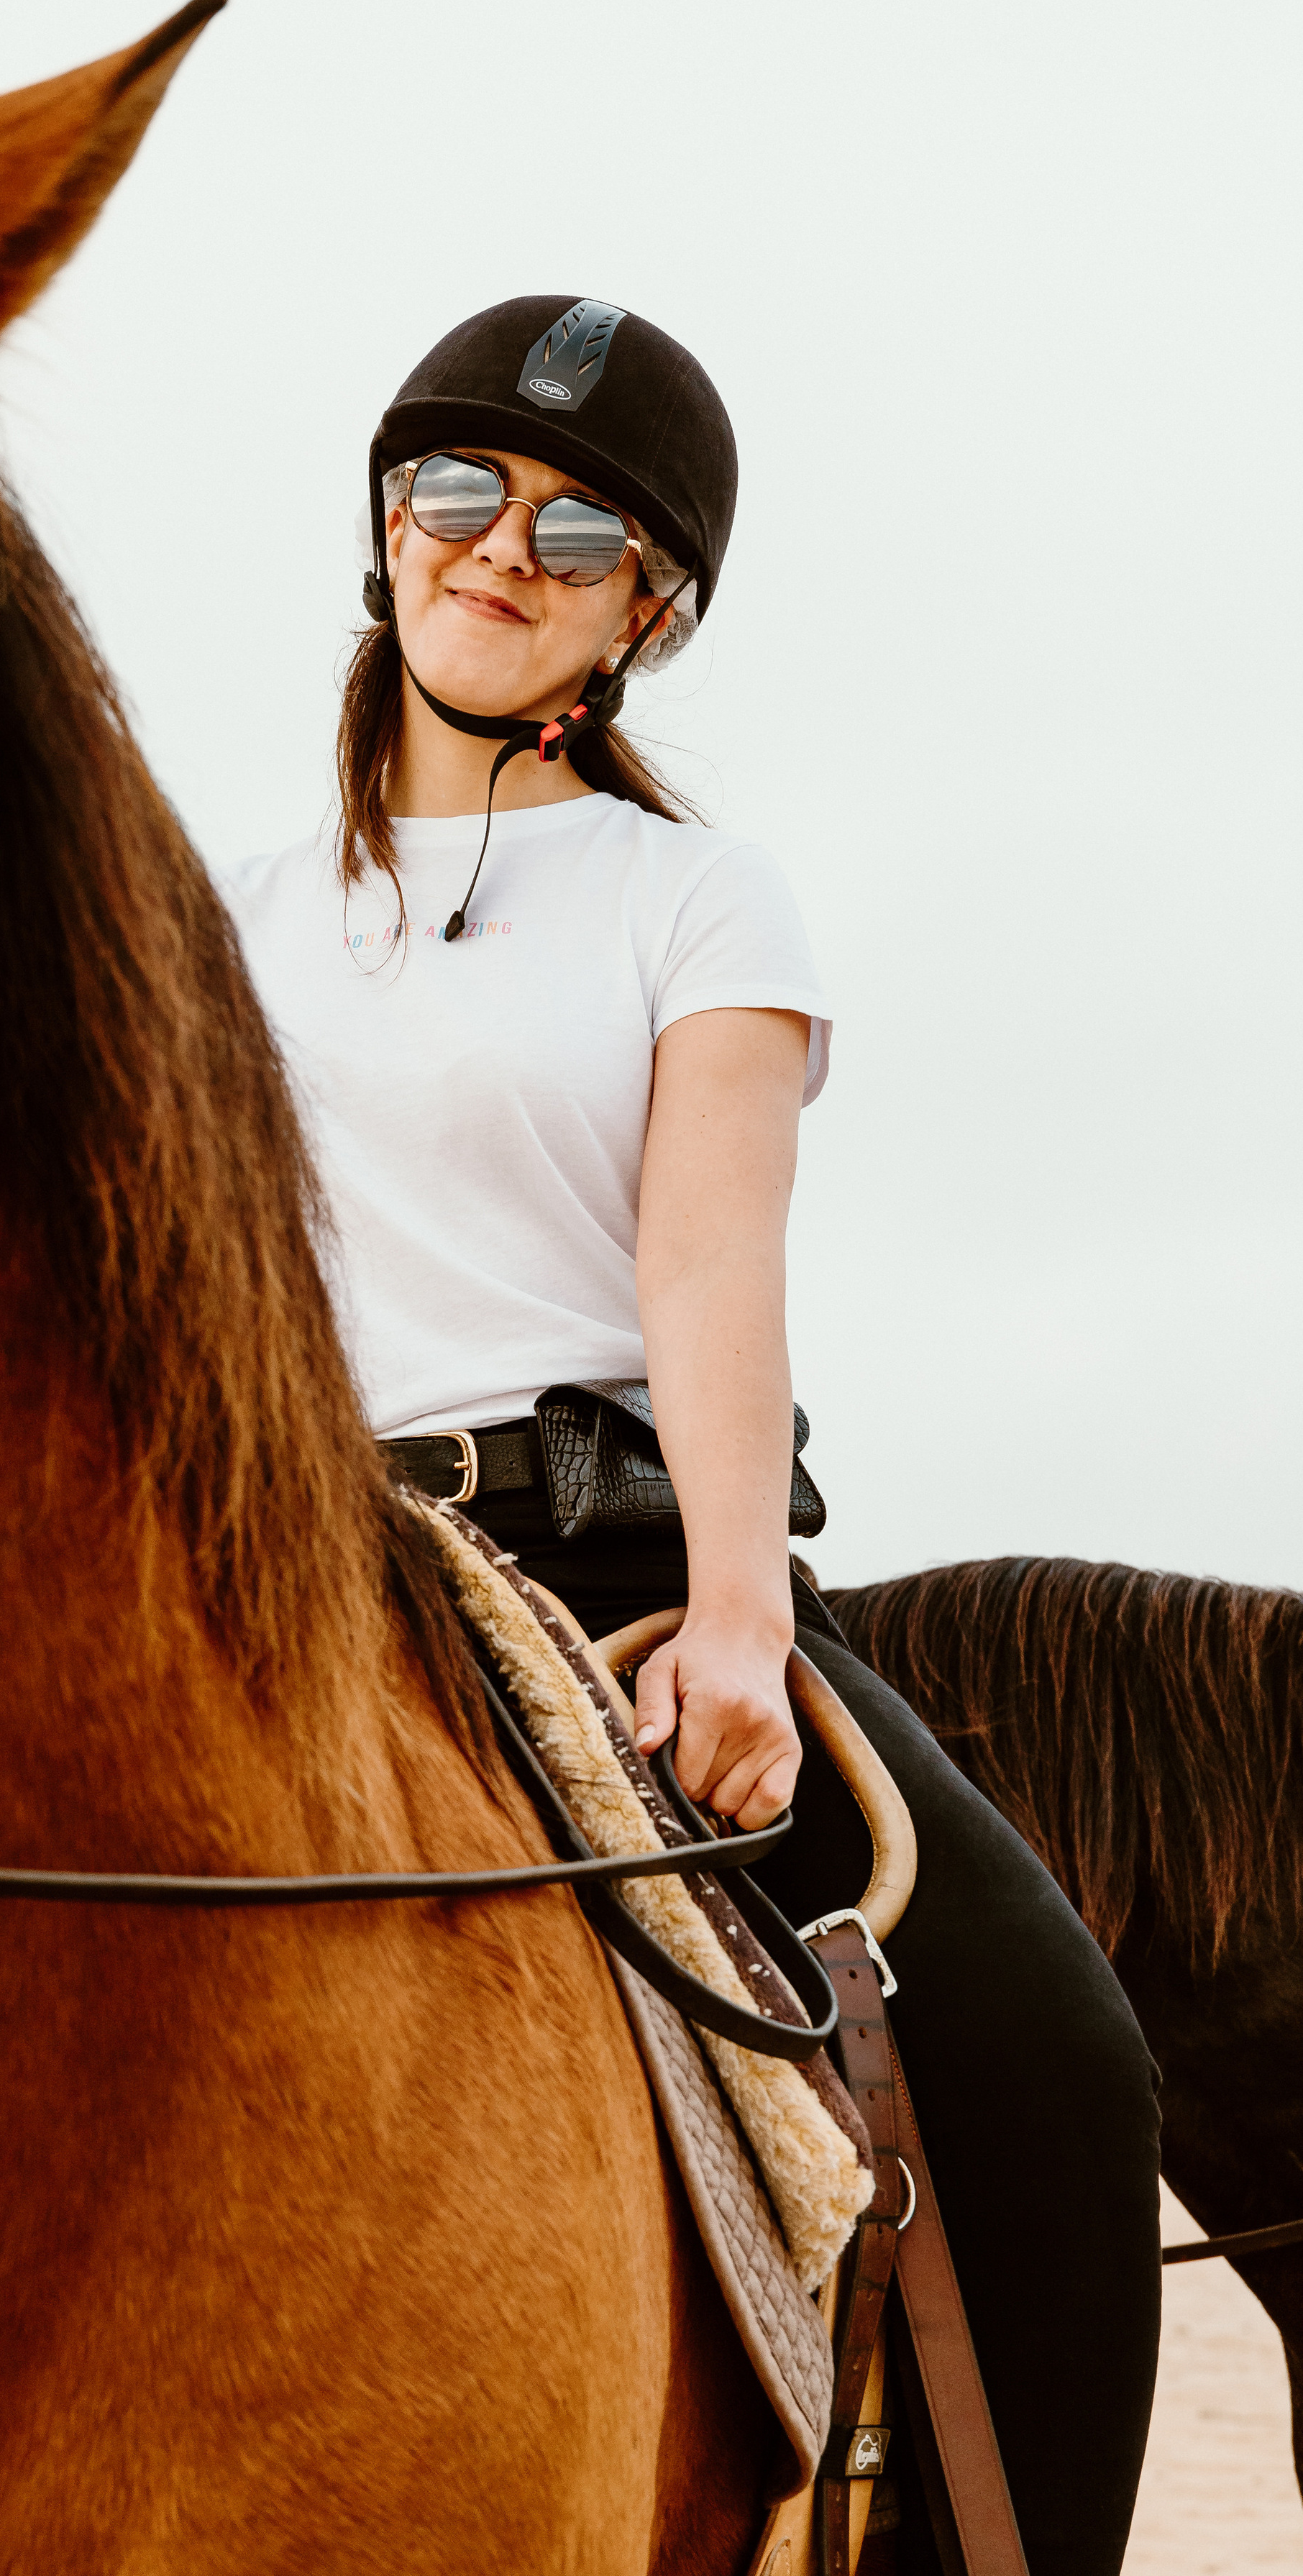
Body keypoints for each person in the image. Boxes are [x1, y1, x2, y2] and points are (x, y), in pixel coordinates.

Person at [221, 296, 1161, 2576]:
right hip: (290, 1575)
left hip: (609, 1568)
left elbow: (708, 1275)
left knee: (1053, 2066)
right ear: (385, 521)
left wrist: (740, 1621)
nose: (499, 549)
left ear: (649, 611)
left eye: (578, 528)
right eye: (455, 493)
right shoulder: (239, 917)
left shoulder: (699, 899)